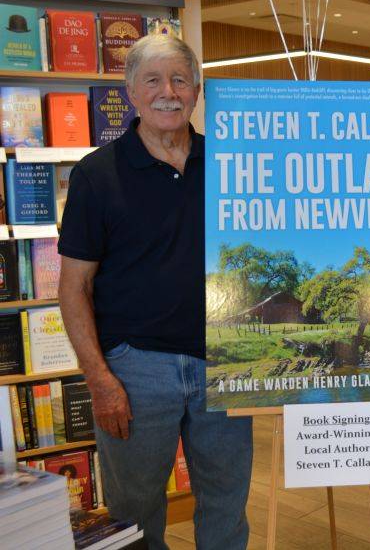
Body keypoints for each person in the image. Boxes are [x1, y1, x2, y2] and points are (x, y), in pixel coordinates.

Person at [58, 34, 253, 550]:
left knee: (228, 505)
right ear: (131, 91)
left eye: (180, 79)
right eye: (153, 80)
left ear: (197, 90)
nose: (168, 92)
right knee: (134, 517)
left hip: (227, 366)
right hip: (135, 370)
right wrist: (99, 378)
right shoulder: (96, 176)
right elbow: (73, 286)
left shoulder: (232, 168)